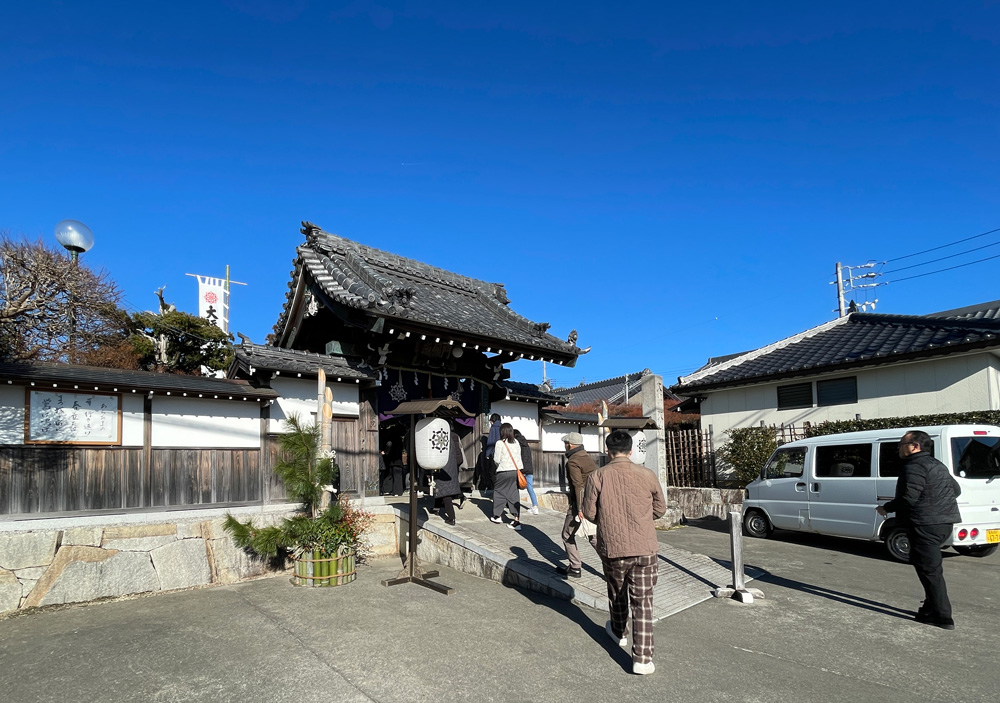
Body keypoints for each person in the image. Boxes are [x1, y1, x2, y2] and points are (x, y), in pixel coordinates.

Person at [582, 429, 666, 676]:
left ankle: (619, 632)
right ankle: (642, 658)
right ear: (631, 451)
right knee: (643, 602)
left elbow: (589, 513)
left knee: (617, 593)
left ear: (608, 451)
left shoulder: (597, 476)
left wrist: (608, 517)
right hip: (645, 546)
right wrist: (641, 518)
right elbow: (660, 509)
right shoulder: (647, 474)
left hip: (613, 547)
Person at [877, 430, 962, 630]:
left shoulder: (914, 467)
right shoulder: (937, 465)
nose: (898, 448)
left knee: (930, 571)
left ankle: (942, 616)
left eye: (901, 444)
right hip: (943, 523)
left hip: (925, 524)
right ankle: (929, 607)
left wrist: (886, 508)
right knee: (928, 567)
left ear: (915, 446)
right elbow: (956, 490)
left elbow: (909, 499)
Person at [556, 431, 598, 578]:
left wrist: (579, 508)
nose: (565, 446)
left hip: (580, 503)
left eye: (565, 444)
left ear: (570, 444)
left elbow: (578, 485)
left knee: (567, 534)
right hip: (594, 502)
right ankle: (612, 566)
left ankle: (575, 567)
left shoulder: (573, 461)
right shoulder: (588, 458)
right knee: (593, 536)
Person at [490, 422, 523, 531]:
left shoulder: (500, 443)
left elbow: (497, 459)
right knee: (513, 494)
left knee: (499, 492)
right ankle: (516, 520)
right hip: (515, 471)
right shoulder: (516, 442)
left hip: (503, 471)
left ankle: (497, 516)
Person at [432, 427, 465, 526]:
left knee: (445, 492)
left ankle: (451, 517)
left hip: (443, 467)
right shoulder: (452, 437)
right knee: (440, 489)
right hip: (451, 466)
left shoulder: (440, 438)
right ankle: (436, 508)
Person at [513, 429, 539, 514]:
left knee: (514, 487)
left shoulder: (516, 444)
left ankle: (513, 505)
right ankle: (535, 507)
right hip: (529, 469)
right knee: (530, 488)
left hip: (521, 469)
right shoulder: (526, 444)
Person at [480, 413, 502, 496]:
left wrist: (487, 454)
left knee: (492, 473)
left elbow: (491, 442)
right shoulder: (503, 427)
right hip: (503, 454)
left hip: (495, 453)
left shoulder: (493, 428)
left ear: (492, 420)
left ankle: (496, 491)